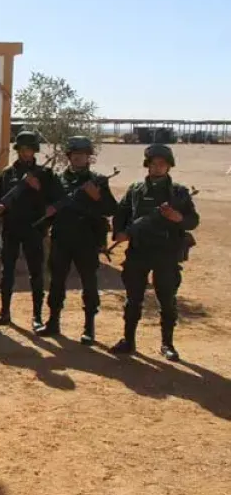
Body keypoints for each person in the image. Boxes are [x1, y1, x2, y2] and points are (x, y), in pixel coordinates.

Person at [109, 143, 199, 361]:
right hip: (138, 251)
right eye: (154, 163)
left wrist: (178, 218)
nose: (158, 167)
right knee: (133, 299)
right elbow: (121, 214)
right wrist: (119, 233)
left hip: (166, 253)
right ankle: (128, 341)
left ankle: (167, 344)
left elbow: (193, 221)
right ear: (147, 165)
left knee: (167, 299)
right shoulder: (135, 190)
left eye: (162, 164)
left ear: (169, 166)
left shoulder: (178, 192)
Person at [36, 136, 118, 344]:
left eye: (83, 154)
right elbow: (50, 207)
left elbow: (111, 209)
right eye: (75, 154)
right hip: (62, 238)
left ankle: (89, 327)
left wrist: (97, 197)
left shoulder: (98, 181)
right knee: (56, 281)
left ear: (89, 157)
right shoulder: (58, 180)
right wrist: (48, 212)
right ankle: (53, 321)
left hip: (86, 240)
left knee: (89, 282)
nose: (79, 158)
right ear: (69, 156)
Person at [0, 131, 61, 328]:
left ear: (34, 151)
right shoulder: (8, 173)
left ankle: (37, 316)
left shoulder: (45, 174)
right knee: (7, 271)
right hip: (11, 228)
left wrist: (38, 188)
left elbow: (56, 201)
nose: (25, 153)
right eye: (22, 149)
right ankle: (4, 312)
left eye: (29, 149)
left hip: (34, 229)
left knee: (36, 272)